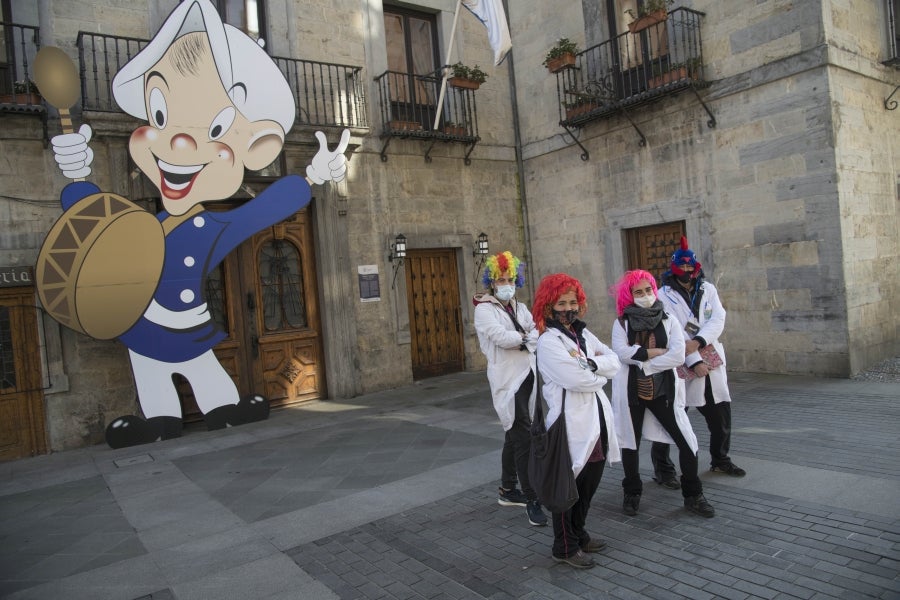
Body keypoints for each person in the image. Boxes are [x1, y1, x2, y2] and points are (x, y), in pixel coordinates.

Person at [47, 0, 350, 448]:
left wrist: (312, 177)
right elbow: (93, 223)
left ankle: (222, 410)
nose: (179, 142)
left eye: (215, 131)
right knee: (150, 374)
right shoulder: (136, 223)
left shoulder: (211, 227)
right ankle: (161, 420)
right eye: (161, 116)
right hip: (141, 322)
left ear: (258, 146)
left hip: (189, 324)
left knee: (205, 372)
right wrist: (76, 176)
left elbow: (260, 212)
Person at [531, 273, 621, 568]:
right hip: (571, 426)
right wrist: (597, 375)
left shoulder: (583, 334)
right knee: (567, 488)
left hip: (597, 422)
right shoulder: (548, 342)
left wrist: (592, 365)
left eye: (572, 302)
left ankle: (579, 534)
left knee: (589, 485)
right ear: (548, 307)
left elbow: (614, 361)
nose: (568, 308)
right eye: (561, 303)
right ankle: (564, 546)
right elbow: (575, 379)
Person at [610, 270, 715, 518]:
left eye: (648, 290)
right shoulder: (621, 323)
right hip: (632, 392)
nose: (645, 295)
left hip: (663, 391)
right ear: (629, 295)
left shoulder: (668, 319)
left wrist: (643, 361)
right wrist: (654, 353)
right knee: (630, 443)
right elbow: (621, 353)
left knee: (687, 442)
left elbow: (678, 356)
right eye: (638, 292)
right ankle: (632, 492)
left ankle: (693, 495)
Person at [650, 237, 746, 487]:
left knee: (721, 415)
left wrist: (700, 341)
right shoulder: (662, 295)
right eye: (683, 270)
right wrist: (693, 360)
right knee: (671, 418)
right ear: (674, 270)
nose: (688, 274)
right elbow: (672, 330)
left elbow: (718, 318)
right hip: (680, 361)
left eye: (691, 270)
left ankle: (720, 458)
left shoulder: (708, 289)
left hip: (710, 355)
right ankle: (663, 469)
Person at [473, 251, 547, 527]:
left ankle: (507, 489)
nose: (506, 283)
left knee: (513, 433)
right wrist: (526, 338)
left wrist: (526, 339)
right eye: (501, 279)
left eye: (510, 279)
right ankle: (532, 498)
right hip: (507, 380)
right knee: (523, 437)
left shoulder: (520, 307)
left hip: (528, 375)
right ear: (491, 282)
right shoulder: (483, 309)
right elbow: (501, 339)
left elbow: (538, 331)